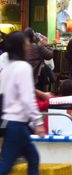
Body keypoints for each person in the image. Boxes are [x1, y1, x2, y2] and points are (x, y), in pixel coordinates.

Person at [0, 32, 46, 175]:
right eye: (26, 44)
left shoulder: (7, 68)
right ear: (20, 47)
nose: (29, 47)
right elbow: (27, 99)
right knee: (7, 165)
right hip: (17, 123)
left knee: (32, 158)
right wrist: (38, 122)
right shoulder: (23, 67)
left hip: (9, 122)